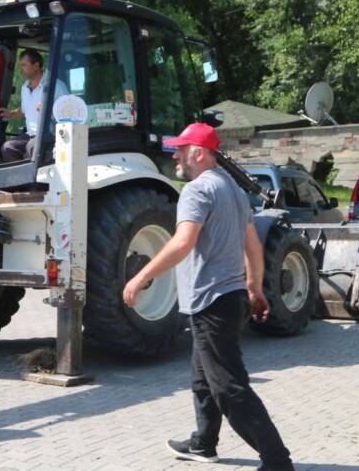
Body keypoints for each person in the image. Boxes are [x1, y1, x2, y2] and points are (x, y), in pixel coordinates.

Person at [122, 123, 293, 471]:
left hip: (212, 302)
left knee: (229, 386)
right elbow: (253, 245)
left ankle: (277, 460)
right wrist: (255, 288)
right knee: (203, 378)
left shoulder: (197, 190)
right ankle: (204, 442)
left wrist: (141, 276)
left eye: (181, 149)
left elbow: (183, 242)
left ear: (199, 153)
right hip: (228, 299)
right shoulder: (233, 190)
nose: (175, 155)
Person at [0, 48, 65, 162]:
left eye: (24, 65)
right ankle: (19, 178)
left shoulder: (56, 85)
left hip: (50, 135)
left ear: (36, 65)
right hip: (30, 135)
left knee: (31, 147)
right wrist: (10, 113)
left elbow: (69, 111)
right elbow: (24, 111)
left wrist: (50, 110)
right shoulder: (25, 87)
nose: (21, 69)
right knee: (7, 147)